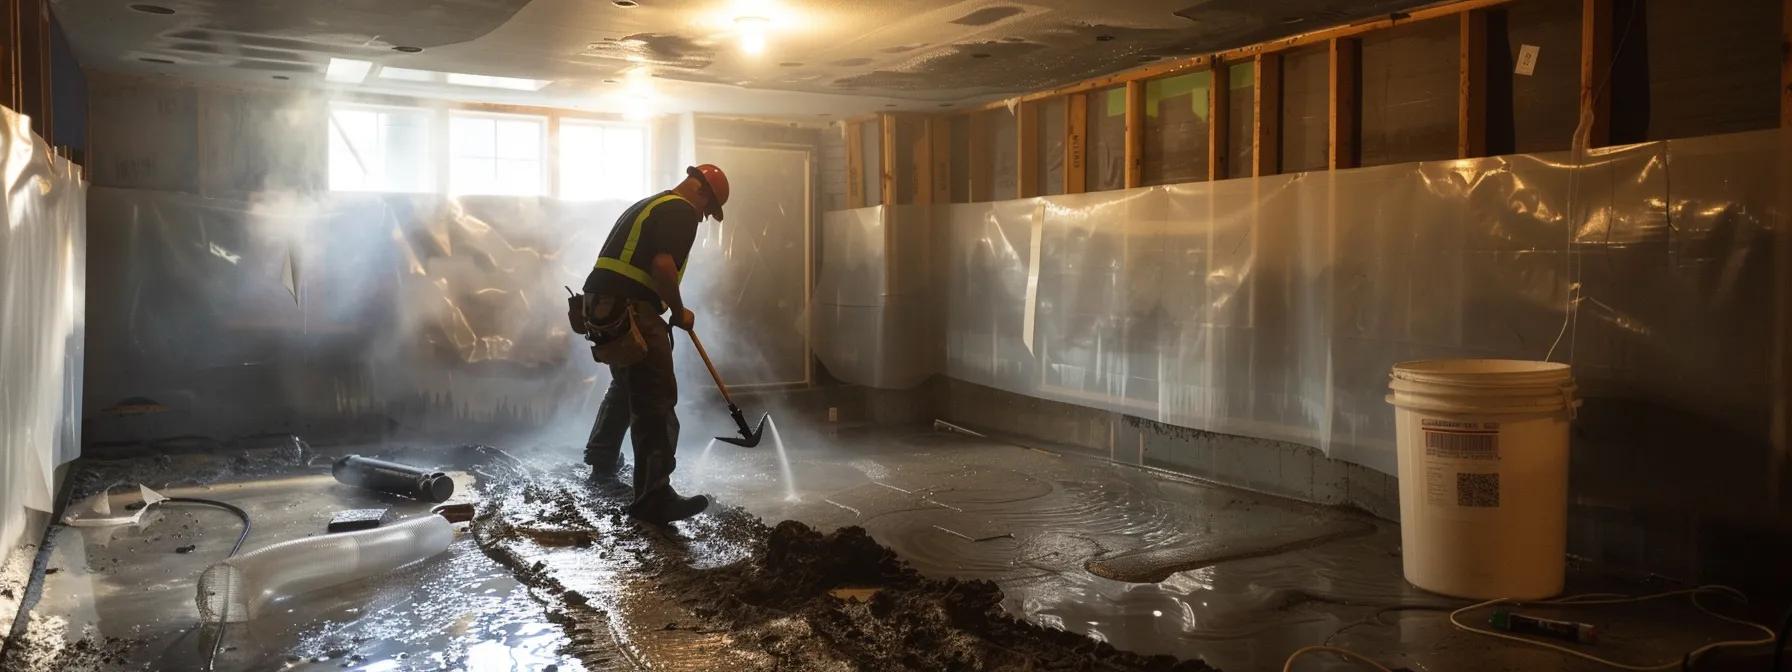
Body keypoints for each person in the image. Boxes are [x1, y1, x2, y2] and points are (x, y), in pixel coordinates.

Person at [579, 164, 730, 524]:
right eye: (707, 211)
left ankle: (601, 454)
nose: (703, 217)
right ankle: (654, 496)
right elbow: (662, 266)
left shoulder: (649, 205)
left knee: (628, 381)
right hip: (632, 307)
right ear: (702, 192)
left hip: (603, 306)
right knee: (656, 396)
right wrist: (678, 312)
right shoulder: (681, 211)